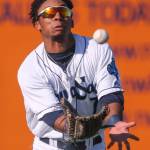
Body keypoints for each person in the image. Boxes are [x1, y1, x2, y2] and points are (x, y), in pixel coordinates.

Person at [17, 0, 139, 150]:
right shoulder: (31, 68)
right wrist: (80, 127)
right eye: (49, 13)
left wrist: (115, 121)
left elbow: (110, 94)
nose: (57, 17)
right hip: (51, 146)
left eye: (63, 12)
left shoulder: (97, 49)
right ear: (37, 24)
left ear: (72, 21)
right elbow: (55, 117)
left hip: (94, 145)